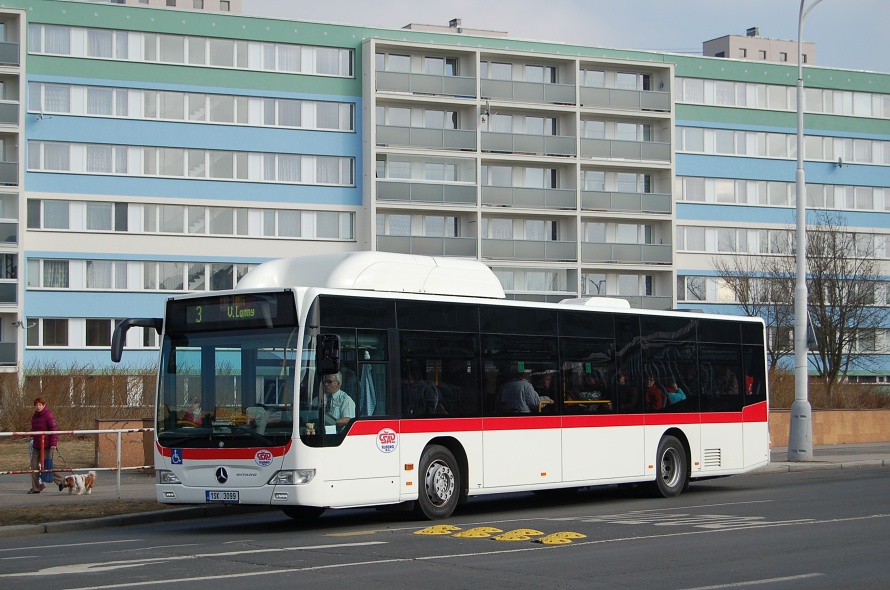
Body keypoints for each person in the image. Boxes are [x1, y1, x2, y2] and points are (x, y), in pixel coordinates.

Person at [29, 397, 63, 494]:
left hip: (47, 445)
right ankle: (36, 488)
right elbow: (34, 429)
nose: (38, 407)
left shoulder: (49, 416)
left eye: (40, 405)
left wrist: (53, 443)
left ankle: (61, 481)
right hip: (36, 445)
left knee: (46, 467)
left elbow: (54, 430)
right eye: (36, 405)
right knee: (34, 466)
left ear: (44, 405)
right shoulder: (35, 416)